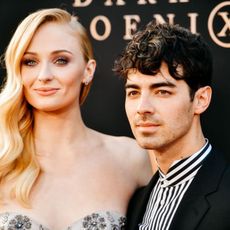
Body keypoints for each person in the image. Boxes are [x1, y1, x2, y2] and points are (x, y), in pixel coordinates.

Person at [0, 8, 154, 230]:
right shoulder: (3, 160)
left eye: (61, 60)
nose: (44, 75)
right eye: (30, 62)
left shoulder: (131, 158)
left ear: (87, 71)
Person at [113, 21, 230, 230]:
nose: (142, 108)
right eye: (134, 92)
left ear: (201, 99)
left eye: (162, 92)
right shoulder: (137, 201)